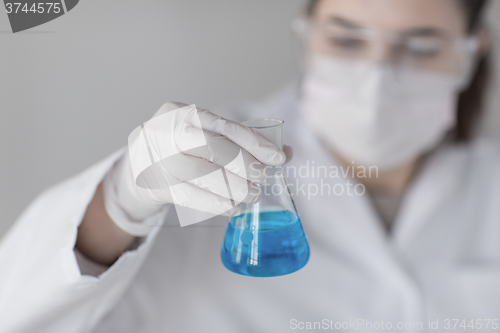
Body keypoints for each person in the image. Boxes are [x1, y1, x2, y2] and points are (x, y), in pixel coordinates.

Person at [0, 0, 498, 332]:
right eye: (347, 41)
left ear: (475, 48)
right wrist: (119, 204)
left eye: (420, 46)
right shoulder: (196, 164)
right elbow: (19, 313)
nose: (376, 80)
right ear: (305, 36)